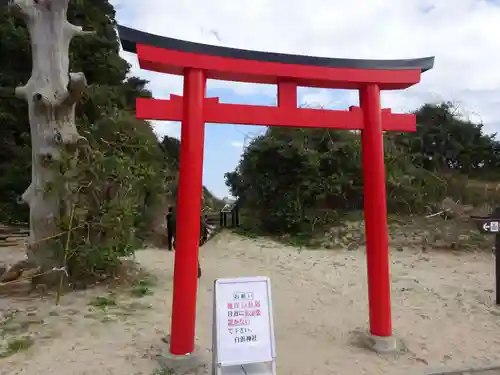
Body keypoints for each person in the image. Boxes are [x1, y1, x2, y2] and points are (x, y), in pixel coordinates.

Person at [170, 212, 206, 279]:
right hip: (191, 238)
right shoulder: (195, 216)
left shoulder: (174, 217)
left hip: (181, 239)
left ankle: (182, 272)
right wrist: (200, 237)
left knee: (181, 255)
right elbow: (202, 226)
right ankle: (196, 271)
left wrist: (175, 239)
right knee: (192, 254)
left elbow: (172, 230)